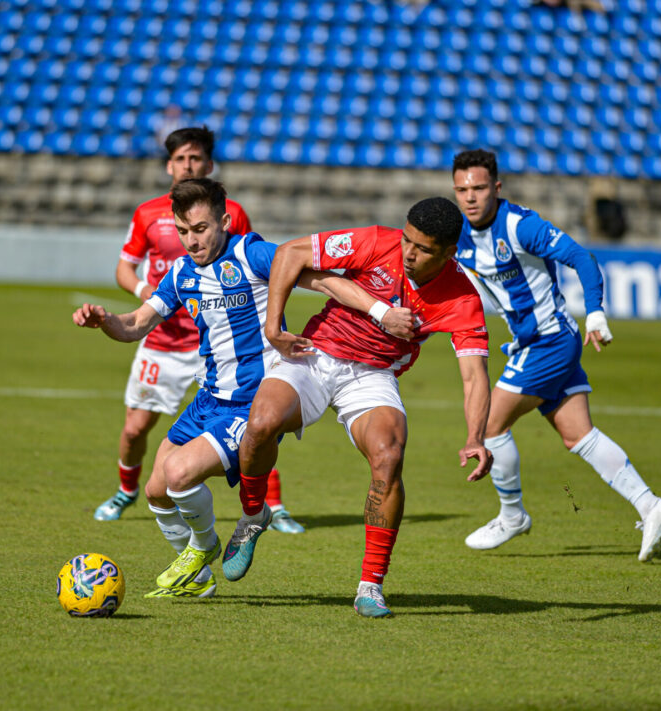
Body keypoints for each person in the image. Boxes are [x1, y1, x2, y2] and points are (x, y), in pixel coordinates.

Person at [73, 178, 411, 598]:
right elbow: (137, 324)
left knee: (178, 476)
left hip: (251, 401)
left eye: (200, 229)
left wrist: (379, 311)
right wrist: (104, 321)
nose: (192, 241)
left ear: (224, 221)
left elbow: (322, 280)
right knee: (156, 491)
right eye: (183, 232)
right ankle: (196, 583)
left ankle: (205, 546)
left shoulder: (249, 253)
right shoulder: (181, 274)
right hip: (208, 398)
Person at [223, 197, 494, 618]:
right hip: (315, 354)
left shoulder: (462, 299)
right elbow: (291, 253)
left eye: (422, 249)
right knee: (260, 424)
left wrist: (476, 436)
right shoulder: (375, 242)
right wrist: (273, 327)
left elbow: (475, 374)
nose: (408, 253)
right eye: (407, 240)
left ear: (449, 253)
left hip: (373, 375)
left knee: (389, 457)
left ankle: (370, 585)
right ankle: (254, 514)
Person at [450, 148, 661, 561]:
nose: (470, 197)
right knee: (578, 435)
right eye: (462, 189)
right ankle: (651, 505)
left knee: (487, 424)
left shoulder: (519, 225)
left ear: (496, 188)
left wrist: (596, 314)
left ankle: (512, 515)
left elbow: (581, 258)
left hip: (549, 340)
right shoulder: (459, 235)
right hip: (534, 342)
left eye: (479, 188)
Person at [95, 126, 304, 534]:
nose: (192, 239)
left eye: (195, 159)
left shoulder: (237, 227)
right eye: (180, 159)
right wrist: (144, 299)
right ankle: (127, 492)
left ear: (208, 166)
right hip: (163, 338)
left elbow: (265, 270)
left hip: (221, 347)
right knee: (141, 434)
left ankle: (268, 507)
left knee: (244, 435)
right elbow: (129, 280)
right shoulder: (148, 216)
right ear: (169, 164)